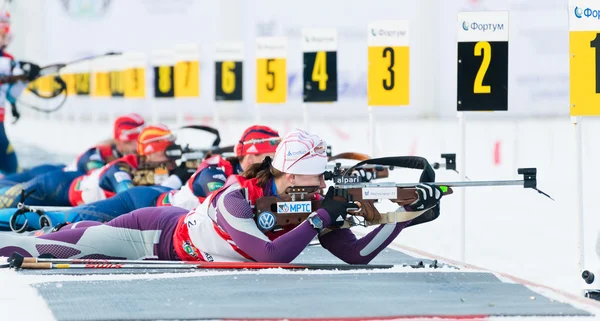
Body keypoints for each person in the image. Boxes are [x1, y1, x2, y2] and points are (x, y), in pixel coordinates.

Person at [0, 129, 444, 264]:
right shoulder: (236, 197)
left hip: (170, 233)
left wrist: (404, 218)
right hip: (150, 235)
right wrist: (322, 219)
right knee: (57, 244)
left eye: (320, 183)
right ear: (285, 174)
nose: (316, 191)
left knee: (71, 229)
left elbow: (354, 254)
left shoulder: (310, 203)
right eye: (308, 182)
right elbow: (270, 255)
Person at [8, 125, 280, 230]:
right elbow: (226, 205)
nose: (174, 160)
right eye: (263, 156)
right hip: (134, 203)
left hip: (156, 208)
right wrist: (177, 178)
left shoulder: (222, 169)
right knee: (62, 222)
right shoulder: (216, 170)